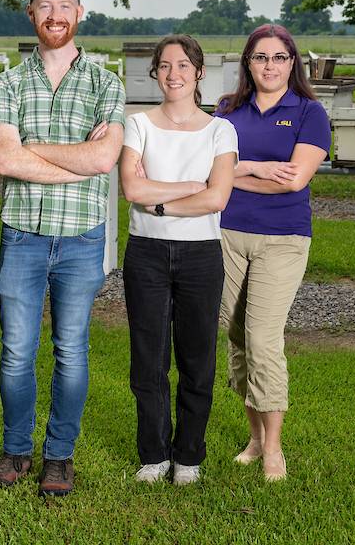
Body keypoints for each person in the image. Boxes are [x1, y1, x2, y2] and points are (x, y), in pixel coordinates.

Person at [0, 0, 125, 497]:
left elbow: (105, 158)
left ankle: (59, 457)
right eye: (46, 7)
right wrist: (79, 162)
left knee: (71, 349)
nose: (55, 15)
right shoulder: (10, 83)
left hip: (81, 236)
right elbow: (4, 158)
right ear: (31, 14)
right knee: (16, 351)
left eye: (65, 6)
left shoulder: (106, 83)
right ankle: (16, 451)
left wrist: (34, 149)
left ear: (80, 13)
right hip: (22, 235)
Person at [119, 34, 237, 485]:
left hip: (200, 256)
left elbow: (218, 197)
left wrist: (164, 201)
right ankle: (153, 455)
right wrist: (192, 186)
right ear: (156, 72)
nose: (174, 74)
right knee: (149, 359)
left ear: (199, 73)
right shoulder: (139, 124)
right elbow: (133, 190)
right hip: (146, 253)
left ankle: (188, 456)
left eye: (183, 66)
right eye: (165, 66)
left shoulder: (220, 130)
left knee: (196, 358)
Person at [213, 23, 330, 482]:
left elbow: (296, 179)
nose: (270, 66)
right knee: (235, 336)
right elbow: (208, 171)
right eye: (261, 57)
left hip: (283, 238)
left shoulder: (309, 112)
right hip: (225, 232)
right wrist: (258, 167)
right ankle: (255, 436)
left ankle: (274, 450)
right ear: (248, 63)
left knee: (263, 339)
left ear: (292, 63)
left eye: (279, 58)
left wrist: (232, 173)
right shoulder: (227, 110)